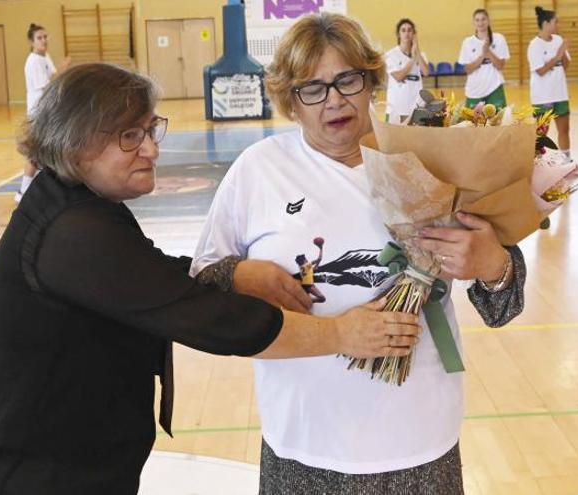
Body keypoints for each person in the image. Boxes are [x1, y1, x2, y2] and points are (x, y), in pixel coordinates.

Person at [0, 63, 421, 495]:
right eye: (130, 137)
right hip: (32, 481)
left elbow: (148, 275)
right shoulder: (74, 234)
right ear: (75, 142)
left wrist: (236, 275)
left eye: (151, 130)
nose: (152, 149)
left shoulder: (75, 205)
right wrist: (341, 332)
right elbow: (209, 320)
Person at [191, 13, 526, 494]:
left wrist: (492, 263)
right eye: (312, 88)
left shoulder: (428, 156)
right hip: (303, 440)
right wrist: (243, 274)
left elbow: (503, 304)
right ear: (290, 100)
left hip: (417, 437)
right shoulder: (259, 170)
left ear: (371, 81)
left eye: (347, 80)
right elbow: (203, 281)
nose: (334, 100)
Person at [16, 22, 71, 202]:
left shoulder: (45, 56)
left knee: (47, 150)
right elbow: (47, 85)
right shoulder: (33, 61)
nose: (44, 40)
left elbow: (56, 79)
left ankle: (43, 187)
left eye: (45, 37)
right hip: (37, 111)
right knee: (35, 152)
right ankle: (24, 190)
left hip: (48, 109)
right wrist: (63, 69)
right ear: (32, 42)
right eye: (39, 38)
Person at [528, 6, 578, 174]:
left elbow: (565, 66)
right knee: (541, 133)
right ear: (546, 23)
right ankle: (537, 167)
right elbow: (540, 70)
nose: (558, 24)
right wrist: (558, 54)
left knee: (564, 129)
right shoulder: (534, 45)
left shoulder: (558, 40)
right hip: (542, 96)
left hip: (560, 92)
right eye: (555, 21)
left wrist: (564, 54)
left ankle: (567, 164)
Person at [458, 9, 510, 109]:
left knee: (498, 121)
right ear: (473, 22)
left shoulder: (499, 39)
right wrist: (482, 55)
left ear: (488, 21)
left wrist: (489, 52)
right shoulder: (468, 42)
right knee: (473, 122)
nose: (480, 23)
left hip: (495, 88)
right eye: (477, 20)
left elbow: (500, 66)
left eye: (483, 19)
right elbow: (468, 69)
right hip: (474, 90)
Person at [385, 18, 430, 124]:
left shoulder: (421, 55)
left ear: (414, 34)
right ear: (398, 34)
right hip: (396, 110)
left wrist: (417, 50)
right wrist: (413, 59)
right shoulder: (391, 55)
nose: (407, 33)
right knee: (394, 139)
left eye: (410, 30)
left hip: (415, 108)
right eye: (403, 30)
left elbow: (426, 72)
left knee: (414, 139)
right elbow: (399, 77)